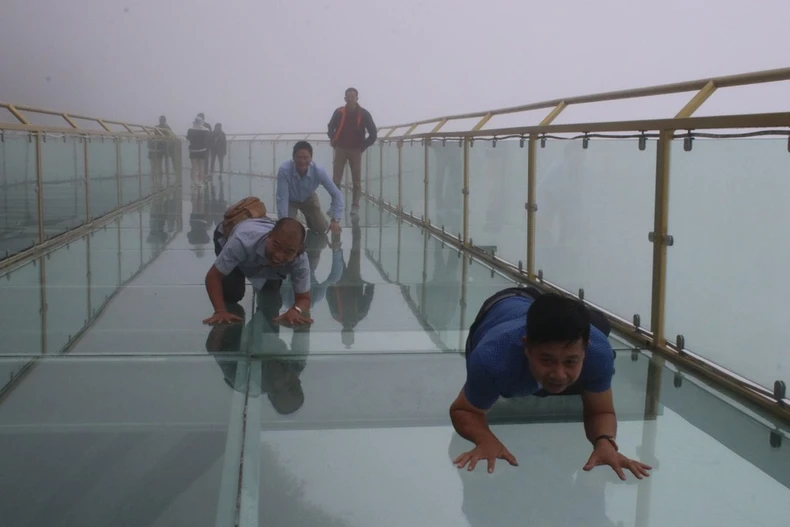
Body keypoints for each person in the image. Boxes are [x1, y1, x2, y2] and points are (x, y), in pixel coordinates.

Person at [450, 287, 652, 480]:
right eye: (547, 360)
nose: (559, 374)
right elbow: (464, 410)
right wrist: (485, 439)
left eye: (570, 361)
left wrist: (605, 442)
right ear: (526, 347)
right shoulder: (492, 358)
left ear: (585, 350)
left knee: (602, 325)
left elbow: (601, 411)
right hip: (504, 306)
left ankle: (582, 321)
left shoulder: (599, 353)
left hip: (536, 312)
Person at [203, 216, 314, 326]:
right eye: (276, 246)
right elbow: (213, 277)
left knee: (270, 298)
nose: (279, 256)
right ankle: (236, 270)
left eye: (289, 252)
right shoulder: (241, 241)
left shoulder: (300, 259)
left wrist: (296, 310)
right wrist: (220, 311)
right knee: (233, 293)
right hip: (229, 237)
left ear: (298, 251)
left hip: (263, 260)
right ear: (269, 236)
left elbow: (304, 297)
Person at [327, 87, 377, 216]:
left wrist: (363, 146)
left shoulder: (364, 114)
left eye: (352, 96)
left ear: (357, 98)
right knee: (336, 179)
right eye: (348, 96)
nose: (350, 99)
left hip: (356, 150)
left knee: (356, 180)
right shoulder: (338, 112)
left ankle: (355, 205)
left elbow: (373, 133)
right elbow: (330, 127)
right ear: (345, 98)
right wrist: (334, 140)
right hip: (340, 149)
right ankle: (335, 204)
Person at [276, 141, 344, 234]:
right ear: (293, 158)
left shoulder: (319, 171)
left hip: (308, 197)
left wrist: (335, 220)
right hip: (290, 201)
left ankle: (310, 221)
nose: (302, 161)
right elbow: (282, 199)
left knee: (321, 228)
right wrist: (283, 223)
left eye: (306, 158)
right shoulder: (284, 170)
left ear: (311, 158)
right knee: (289, 229)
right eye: (299, 157)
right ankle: (295, 223)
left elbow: (337, 195)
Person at [187, 117, 210, 188]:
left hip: (193, 151)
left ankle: (193, 182)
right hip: (202, 150)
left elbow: (188, 138)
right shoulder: (205, 130)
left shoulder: (190, 130)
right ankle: (200, 182)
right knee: (201, 167)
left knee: (194, 167)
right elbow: (207, 139)